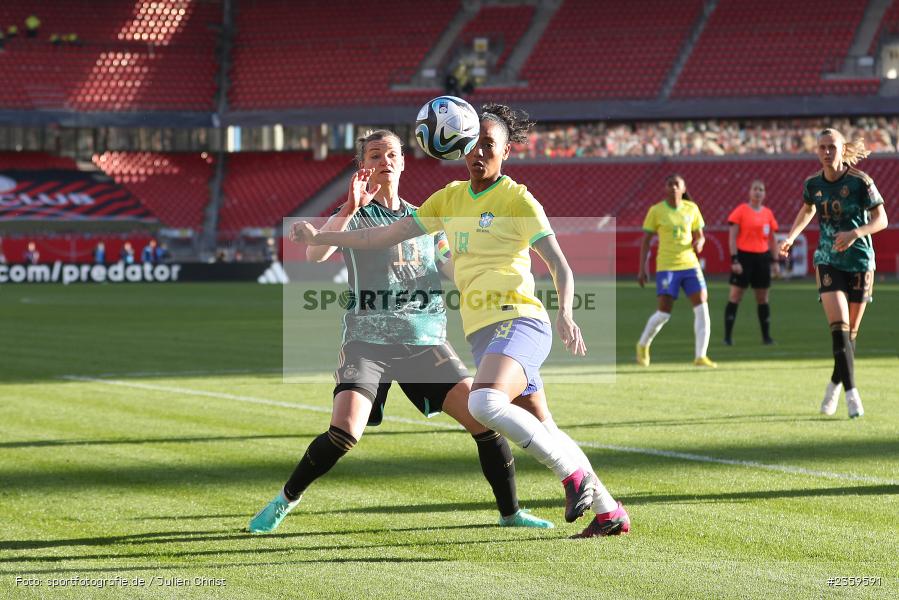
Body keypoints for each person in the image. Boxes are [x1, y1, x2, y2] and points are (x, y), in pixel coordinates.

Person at [293, 107, 630, 538]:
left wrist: (566, 312)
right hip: (484, 333)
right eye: (473, 144)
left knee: (484, 404)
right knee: (546, 428)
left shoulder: (518, 199)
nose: (479, 153)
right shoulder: (448, 199)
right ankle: (609, 513)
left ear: (507, 152)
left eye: (490, 145)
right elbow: (380, 236)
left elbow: (560, 265)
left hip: (520, 320)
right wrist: (321, 236)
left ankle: (574, 478)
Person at [249, 129, 554, 534]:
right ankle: (285, 500)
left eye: (391, 153)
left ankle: (511, 513)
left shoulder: (426, 215)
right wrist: (348, 207)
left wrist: (490, 278)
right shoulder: (355, 215)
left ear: (404, 161)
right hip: (367, 341)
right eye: (375, 155)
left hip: (424, 342)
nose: (384, 160)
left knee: (485, 421)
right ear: (364, 167)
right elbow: (315, 254)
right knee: (344, 433)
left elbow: (450, 267)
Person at [779, 128, 887, 418]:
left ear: (842, 149)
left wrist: (855, 232)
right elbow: (807, 209)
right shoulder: (812, 183)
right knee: (838, 326)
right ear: (817, 151)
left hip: (861, 261)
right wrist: (791, 236)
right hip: (827, 260)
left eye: (832, 147)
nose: (827, 152)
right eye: (822, 147)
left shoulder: (860, 182)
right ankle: (853, 396)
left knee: (850, 334)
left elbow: (882, 219)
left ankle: (835, 385)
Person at [636, 175, 716, 368]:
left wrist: (701, 242)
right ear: (665, 188)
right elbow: (646, 241)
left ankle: (700, 356)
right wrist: (642, 268)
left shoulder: (692, 208)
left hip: (690, 265)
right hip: (667, 266)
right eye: (670, 184)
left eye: (676, 184)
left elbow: (701, 236)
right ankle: (643, 345)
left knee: (702, 306)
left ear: (683, 188)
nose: (673, 187)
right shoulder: (656, 211)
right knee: (664, 313)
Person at [723, 180, 779, 345]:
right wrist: (734, 259)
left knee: (763, 298)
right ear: (749, 192)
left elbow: (772, 240)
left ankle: (766, 337)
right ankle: (727, 337)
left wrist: (775, 261)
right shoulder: (740, 211)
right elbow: (732, 238)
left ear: (765, 194)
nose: (758, 192)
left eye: (761, 189)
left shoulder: (768, 213)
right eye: (755, 189)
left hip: (762, 258)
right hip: (743, 257)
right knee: (735, 296)